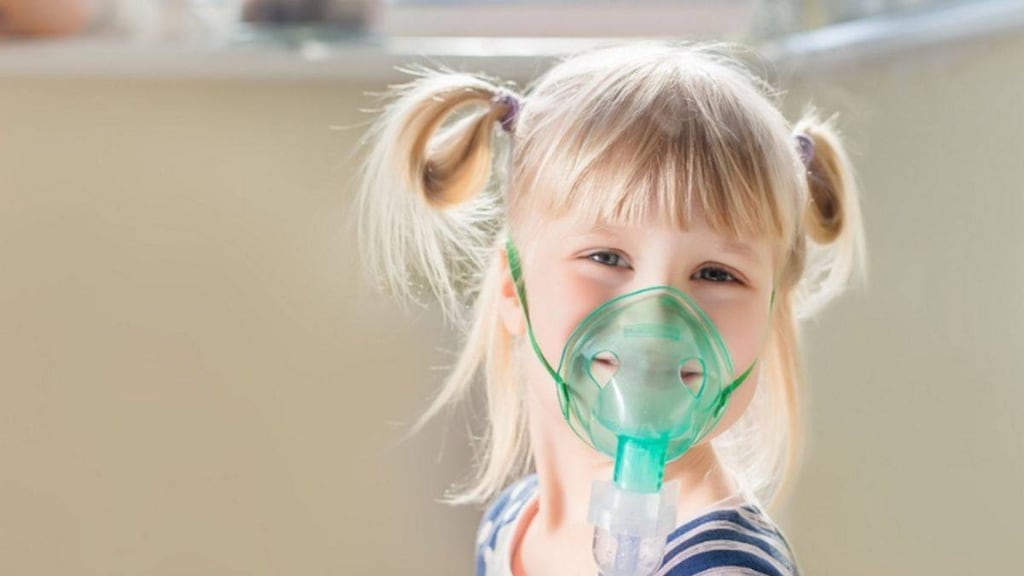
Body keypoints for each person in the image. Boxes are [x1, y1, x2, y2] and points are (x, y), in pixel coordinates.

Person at [354, 39, 866, 575]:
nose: (656, 320)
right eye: (607, 256)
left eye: (717, 274)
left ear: (770, 313)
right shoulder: (512, 526)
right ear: (513, 289)